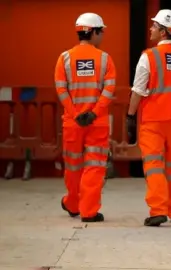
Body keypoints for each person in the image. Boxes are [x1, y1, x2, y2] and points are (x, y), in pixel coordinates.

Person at [126, 9, 171, 227]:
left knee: (154, 164)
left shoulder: (148, 56)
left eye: (154, 26)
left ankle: (158, 210)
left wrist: (130, 115)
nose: (150, 28)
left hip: (153, 120)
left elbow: (138, 90)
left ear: (164, 31)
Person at [54, 13, 116, 222]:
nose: (103, 36)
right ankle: (88, 211)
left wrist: (75, 114)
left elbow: (61, 90)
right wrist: (94, 113)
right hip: (96, 123)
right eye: (102, 32)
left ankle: (72, 204)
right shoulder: (105, 59)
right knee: (95, 166)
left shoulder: (65, 58)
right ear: (94, 32)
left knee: (72, 166)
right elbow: (109, 90)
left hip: (73, 123)